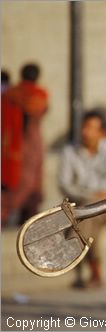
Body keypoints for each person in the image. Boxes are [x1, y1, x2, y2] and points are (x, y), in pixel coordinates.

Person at [58, 109, 106, 288]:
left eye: (90, 128)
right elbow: (64, 184)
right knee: (89, 219)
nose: (85, 132)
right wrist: (91, 194)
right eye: (84, 127)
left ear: (102, 133)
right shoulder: (69, 151)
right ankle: (96, 274)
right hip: (82, 207)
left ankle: (70, 251)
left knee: (87, 216)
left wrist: (86, 192)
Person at [1, 63, 48, 226]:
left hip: (15, 142)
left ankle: (26, 219)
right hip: (25, 143)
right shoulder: (36, 94)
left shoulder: (12, 93)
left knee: (29, 182)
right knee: (25, 182)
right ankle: (6, 215)